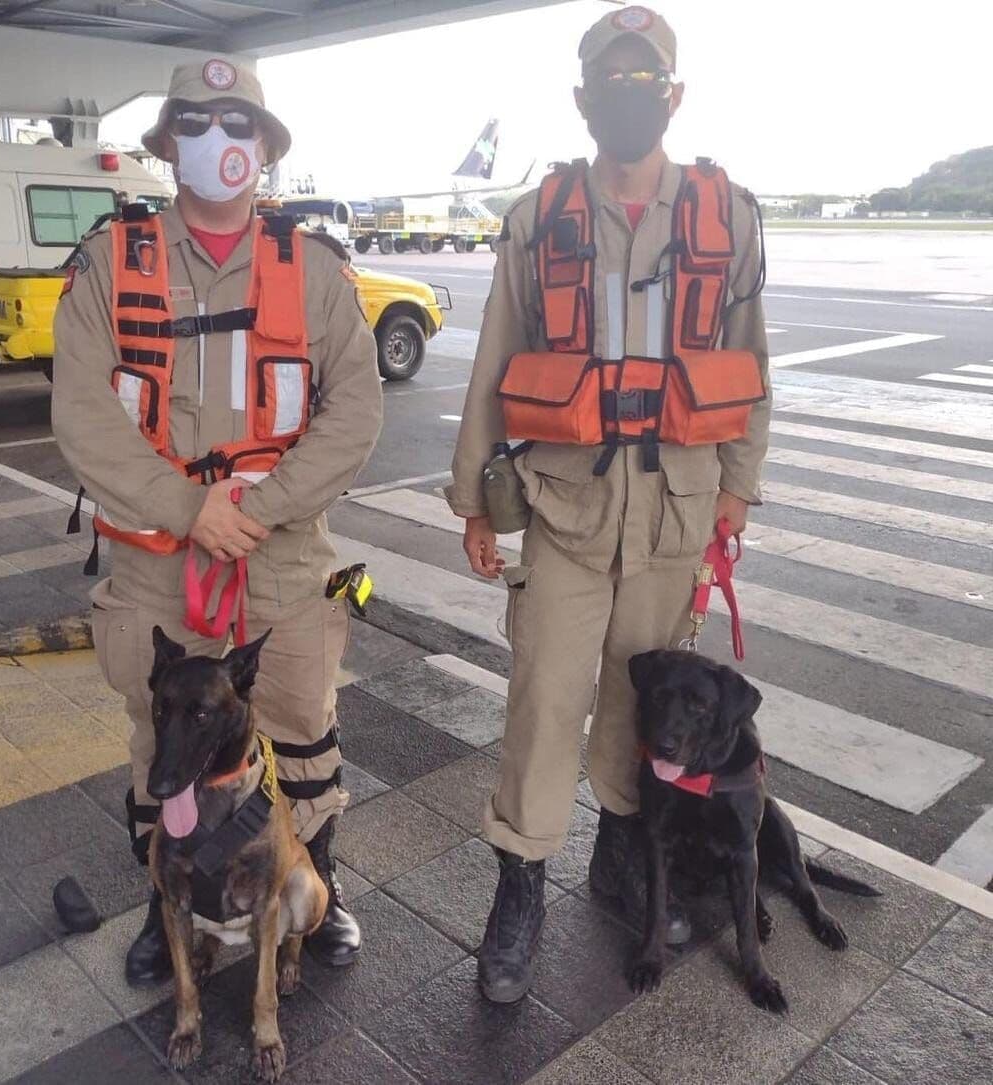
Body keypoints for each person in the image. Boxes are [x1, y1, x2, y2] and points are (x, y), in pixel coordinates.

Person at [445, 5, 770, 1002]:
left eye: (646, 81)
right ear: (582, 99)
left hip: (675, 511)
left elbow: (753, 365)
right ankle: (521, 885)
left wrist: (739, 492)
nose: (628, 96)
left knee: (644, 702)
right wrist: (472, 497)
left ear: (672, 96)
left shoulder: (728, 215)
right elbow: (497, 357)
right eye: (610, 81)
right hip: (565, 503)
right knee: (544, 700)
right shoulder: (541, 216)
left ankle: (623, 854)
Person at [52, 58, 382, 985]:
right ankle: (171, 908)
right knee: (164, 746)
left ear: (266, 150)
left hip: (278, 557)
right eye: (195, 123)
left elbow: (355, 411)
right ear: (167, 145)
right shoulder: (112, 263)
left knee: (303, 736)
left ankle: (319, 883)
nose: (218, 140)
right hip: (158, 560)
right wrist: (189, 507)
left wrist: (258, 512)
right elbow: (79, 410)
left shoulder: (314, 271)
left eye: (238, 124)